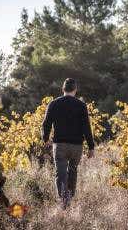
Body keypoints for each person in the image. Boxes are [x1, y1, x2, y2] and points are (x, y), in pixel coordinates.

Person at [41, 78, 95, 209]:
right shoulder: (81, 105)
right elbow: (86, 127)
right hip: (77, 146)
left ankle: (63, 200)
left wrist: (45, 138)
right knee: (72, 171)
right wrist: (91, 147)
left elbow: (46, 123)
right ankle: (69, 197)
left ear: (63, 89)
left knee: (60, 173)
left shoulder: (54, 104)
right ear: (75, 90)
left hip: (60, 145)